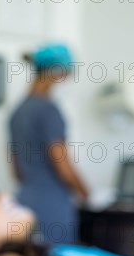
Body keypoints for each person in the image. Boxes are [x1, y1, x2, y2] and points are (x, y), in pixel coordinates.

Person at [9, 44, 88, 244]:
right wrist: (86, 194)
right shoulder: (48, 111)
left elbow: (16, 171)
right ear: (56, 73)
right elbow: (63, 166)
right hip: (52, 206)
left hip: (24, 202)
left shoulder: (17, 112)